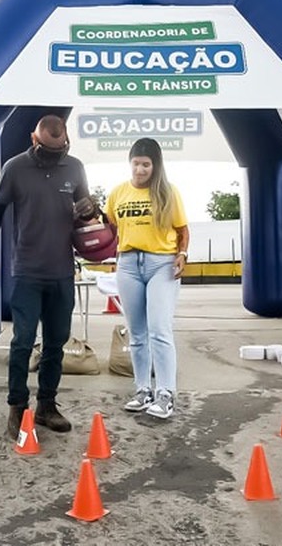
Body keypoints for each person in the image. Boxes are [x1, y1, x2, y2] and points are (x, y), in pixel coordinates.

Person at [0, 114, 95, 440]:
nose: (56, 156)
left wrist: (89, 210)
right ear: (34, 139)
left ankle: (47, 406)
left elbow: (87, 213)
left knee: (56, 343)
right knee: (23, 342)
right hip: (27, 270)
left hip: (62, 271)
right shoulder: (14, 168)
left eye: (61, 149)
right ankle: (17, 407)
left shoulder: (75, 167)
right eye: (48, 150)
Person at [104, 138, 189, 419]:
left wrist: (183, 254)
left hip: (161, 264)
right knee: (137, 333)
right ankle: (143, 390)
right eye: (136, 163)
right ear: (129, 163)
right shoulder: (118, 193)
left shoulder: (168, 193)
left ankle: (166, 393)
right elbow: (108, 229)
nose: (140, 170)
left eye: (146, 164)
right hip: (127, 263)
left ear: (155, 165)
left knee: (159, 330)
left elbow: (183, 230)